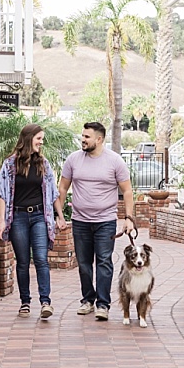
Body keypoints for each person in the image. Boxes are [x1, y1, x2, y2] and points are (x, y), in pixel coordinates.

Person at [57, 121, 135, 321]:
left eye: (87, 137)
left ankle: (102, 304)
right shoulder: (73, 160)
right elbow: (63, 187)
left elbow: (127, 191)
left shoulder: (114, 161)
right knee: (83, 263)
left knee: (103, 262)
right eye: (82, 136)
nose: (82, 140)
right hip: (80, 221)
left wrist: (129, 218)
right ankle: (87, 300)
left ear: (99, 139)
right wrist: (59, 214)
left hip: (105, 221)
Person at [0, 123, 61, 319]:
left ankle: (45, 302)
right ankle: (25, 302)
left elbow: (53, 192)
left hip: (40, 216)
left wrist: (60, 216)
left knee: (41, 258)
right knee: (23, 262)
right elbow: (1, 193)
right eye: (39, 138)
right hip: (18, 217)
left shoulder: (43, 163)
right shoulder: (10, 164)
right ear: (28, 138)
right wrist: (1, 220)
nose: (41, 142)